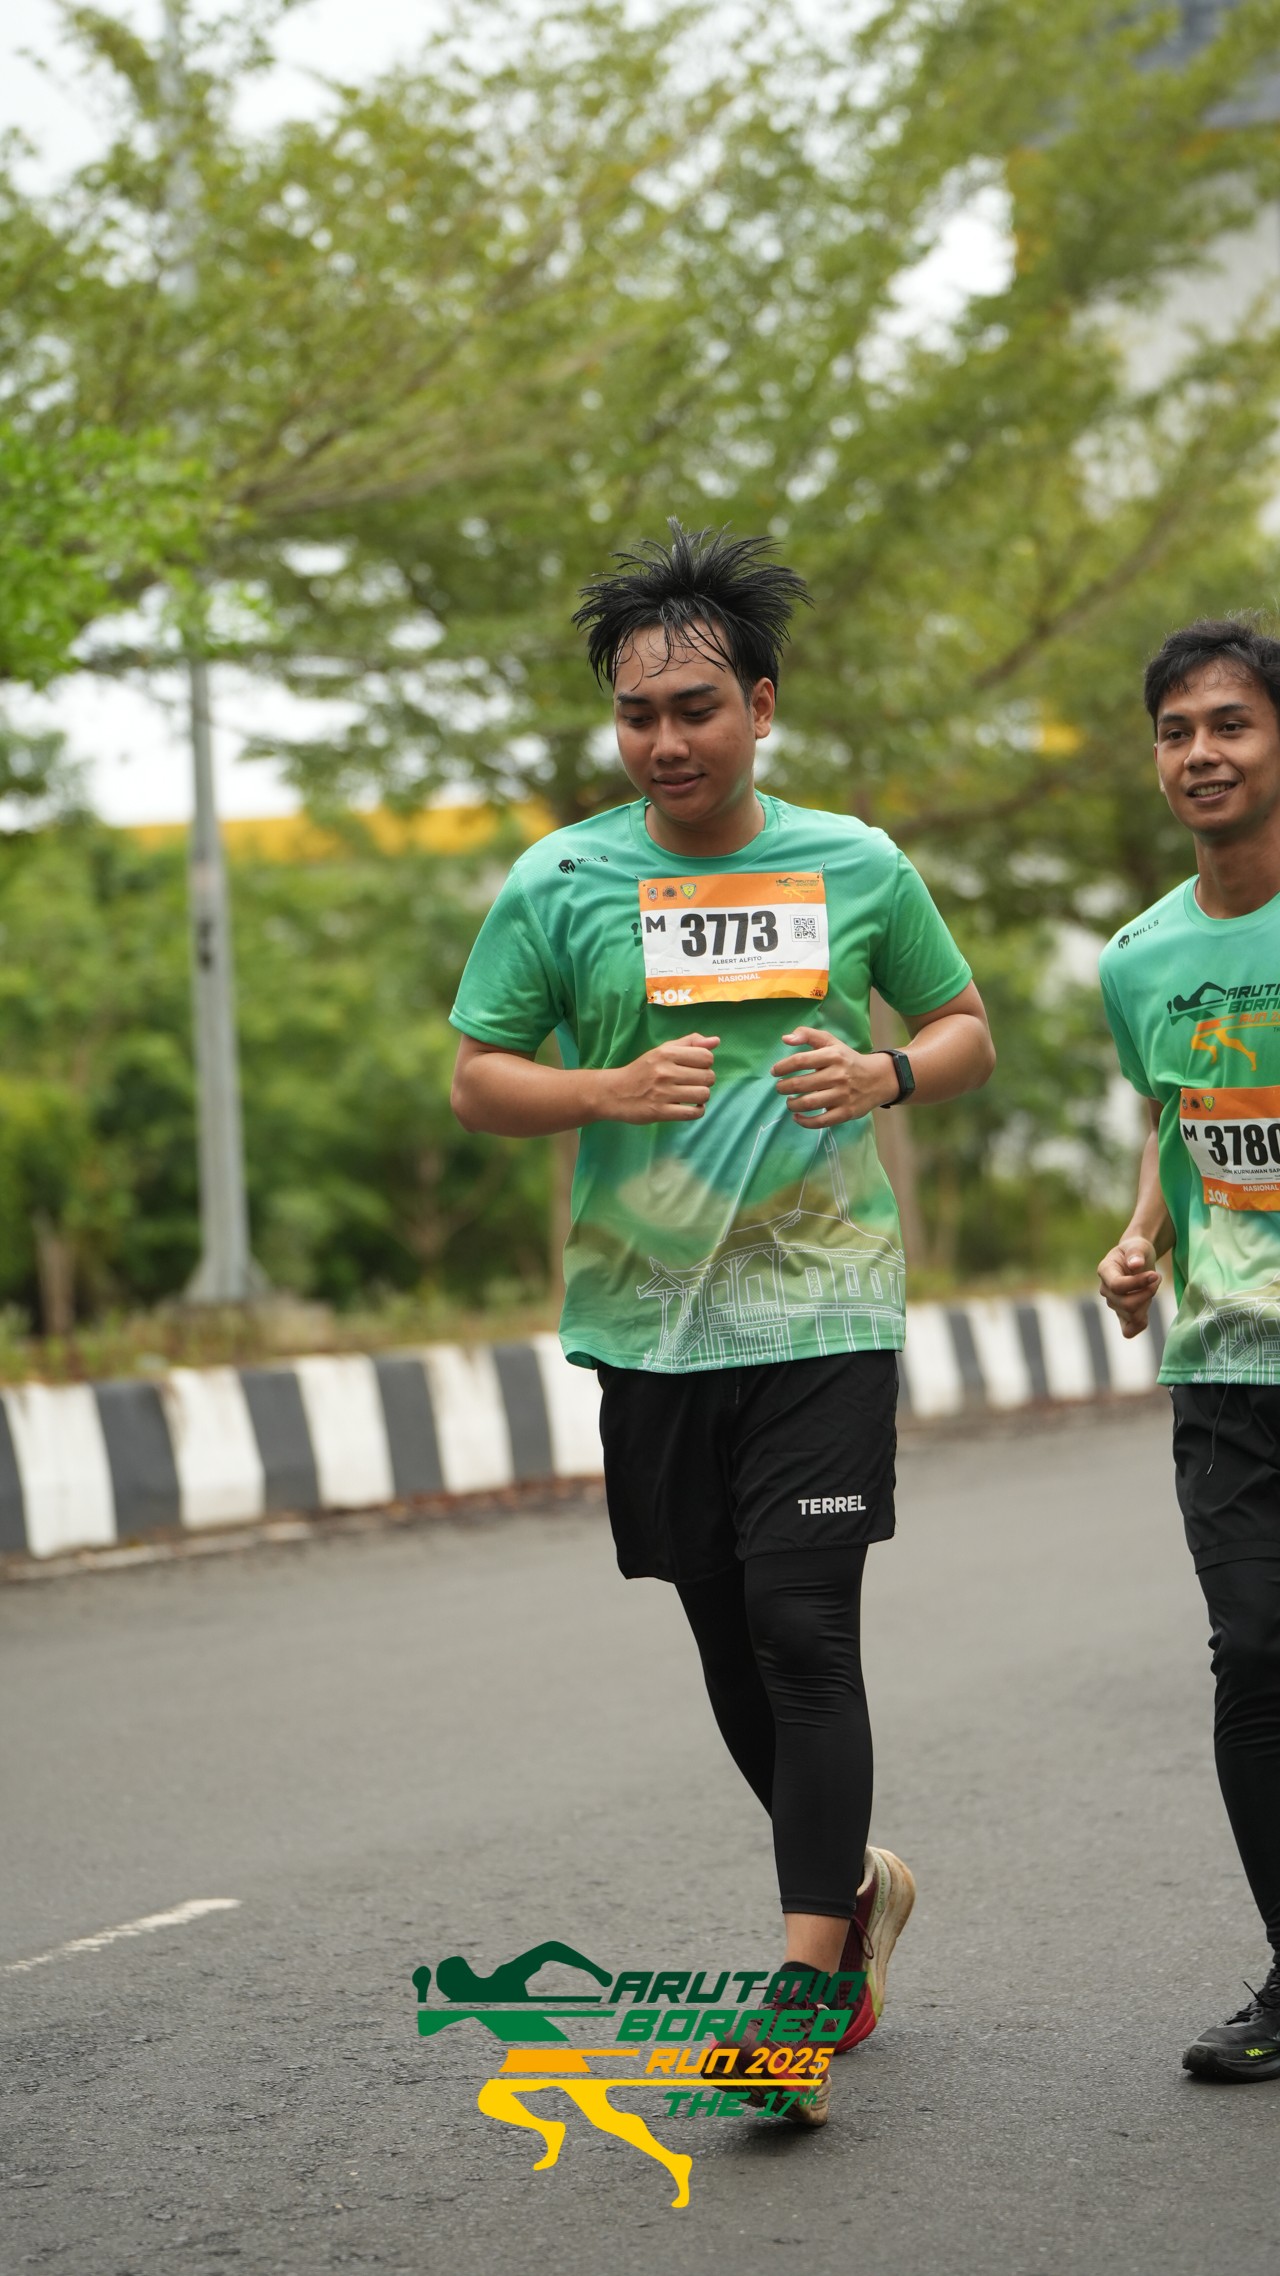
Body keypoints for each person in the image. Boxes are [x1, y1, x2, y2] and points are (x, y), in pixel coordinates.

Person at [449, 522, 995, 2127]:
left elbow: (964, 1028)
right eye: (638, 714)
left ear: (761, 706)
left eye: (696, 708)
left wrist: (885, 1072)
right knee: (727, 1638)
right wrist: (602, 1090)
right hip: (650, 1323)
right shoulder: (561, 880)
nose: (666, 741)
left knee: (805, 1631)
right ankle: (856, 1889)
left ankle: (800, 1997)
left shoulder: (856, 864)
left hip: (824, 1305)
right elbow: (479, 1079)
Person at [1098, 617, 1280, 2083]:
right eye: (1177, 732)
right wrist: (1139, 1234)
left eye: (1231, 724)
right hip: (1226, 1367)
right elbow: (1175, 1117)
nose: (1201, 754)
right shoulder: (1141, 958)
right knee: (1257, 1656)